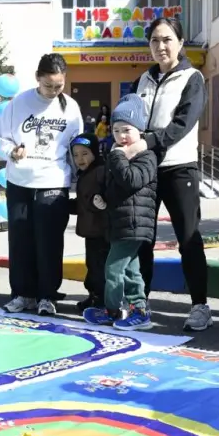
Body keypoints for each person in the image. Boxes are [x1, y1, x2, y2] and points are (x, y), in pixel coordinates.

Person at [128, 17, 211, 331]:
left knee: (188, 238)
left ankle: (200, 306)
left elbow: (183, 123)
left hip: (179, 169)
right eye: (154, 41)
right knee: (142, 239)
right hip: (145, 171)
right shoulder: (143, 80)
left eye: (167, 40)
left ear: (180, 42)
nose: (161, 46)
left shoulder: (192, 78)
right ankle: (139, 303)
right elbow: (133, 117)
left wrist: (148, 141)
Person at [0, 54, 83, 316]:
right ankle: (23, 294)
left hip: (54, 179)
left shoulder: (70, 107)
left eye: (59, 86)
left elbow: (77, 145)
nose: (54, 91)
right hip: (20, 180)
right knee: (20, 239)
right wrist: (12, 151)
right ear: (37, 77)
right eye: (49, 86)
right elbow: (0, 139)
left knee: (49, 241)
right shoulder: (19, 103)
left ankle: (47, 295)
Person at [83, 95, 158, 331]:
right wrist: (102, 200)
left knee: (113, 268)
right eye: (116, 131)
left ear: (140, 130)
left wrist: (116, 156)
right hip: (121, 223)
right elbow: (115, 189)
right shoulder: (120, 157)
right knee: (131, 269)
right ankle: (139, 309)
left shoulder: (146, 156)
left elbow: (131, 180)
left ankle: (112, 310)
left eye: (127, 130)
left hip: (134, 224)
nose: (121, 136)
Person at [67, 133, 107, 312]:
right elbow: (82, 202)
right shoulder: (84, 174)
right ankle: (93, 296)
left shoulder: (100, 171)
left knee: (99, 267)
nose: (79, 159)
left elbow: (103, 198)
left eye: (84, 153)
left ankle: (100, 299)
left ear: (94, 152)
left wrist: (98, 202)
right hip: (90, 230)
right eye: (75, 155)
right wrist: (66, 204)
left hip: (101, 230)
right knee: (92, 265)